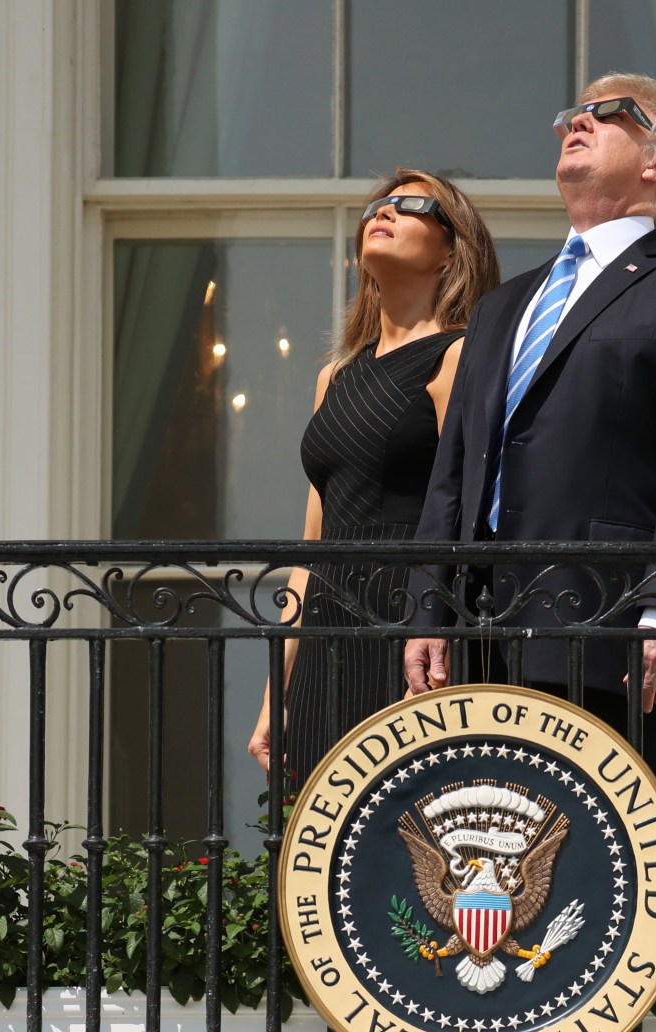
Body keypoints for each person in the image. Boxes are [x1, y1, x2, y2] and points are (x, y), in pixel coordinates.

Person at [402, 74, 656, 811]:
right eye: (574, 113)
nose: (579, 122)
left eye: (611, 113)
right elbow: (453, 474)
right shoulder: (504, 306)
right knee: (487, 864)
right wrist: (427, 611)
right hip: (483, 642)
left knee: (614, 884)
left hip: (615, 642)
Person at [248, 170, 500, 779]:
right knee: (329, 846)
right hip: (330, 635)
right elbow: (312, 549)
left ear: (451, 249)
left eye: (412, 205)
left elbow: (470, 521)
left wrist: (436, 633)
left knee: (411, 833)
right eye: (378, 204)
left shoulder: (460, 356)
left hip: (412, 626)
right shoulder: (334, 376)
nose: (383, 212)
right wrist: (273, 694)